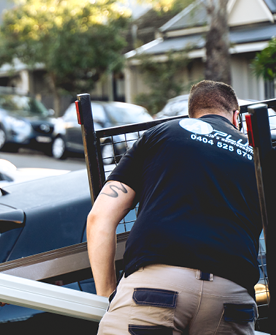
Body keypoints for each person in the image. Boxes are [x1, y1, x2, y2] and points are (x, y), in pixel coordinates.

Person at [87, 80, 262, 334]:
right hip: (232, 296)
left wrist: (107, 295)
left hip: (155, 287)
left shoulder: (163, 134)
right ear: (237, 117)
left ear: (192, 114)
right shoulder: (256, 155)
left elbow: (99, 218)